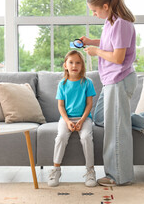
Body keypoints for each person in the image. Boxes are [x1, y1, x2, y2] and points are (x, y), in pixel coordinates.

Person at [81, 0, 144, 187]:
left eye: (95, 10)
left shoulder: (122, 25)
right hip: (111, 81)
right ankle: (143, 121)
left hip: (119, 79)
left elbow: (117, 56)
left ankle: (119, 176)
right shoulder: (110, 23)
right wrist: (92, 42)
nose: (94, 14)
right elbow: (111, 44)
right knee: (100, 118)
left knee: (117, 131)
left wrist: (96, 51)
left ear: (106, 6)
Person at [48, 50, 97, 187]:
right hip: (66, 119)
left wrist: (81, 120)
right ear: (65, 65)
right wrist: (68, 121)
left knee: (86, 137)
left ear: (82, 66)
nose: (74, 65)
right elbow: (61, 106)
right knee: (61, 137)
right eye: (71, 62)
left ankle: (90, 171)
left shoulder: (87, 83)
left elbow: (89, 104)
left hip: (84, 118)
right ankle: (56, 170)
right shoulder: (62, 84)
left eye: (78, 63)